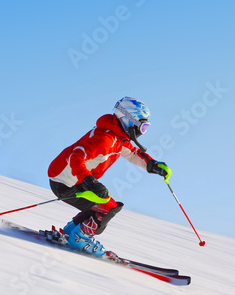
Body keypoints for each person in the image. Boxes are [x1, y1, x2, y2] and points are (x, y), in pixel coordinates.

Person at [48, 97, 172, 257]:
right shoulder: (105, 139)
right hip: (64, 182)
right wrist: (90, 181)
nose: (142, 131)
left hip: (75, 180)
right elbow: (75, 156)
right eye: (142, 126)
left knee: (103, 203)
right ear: (129, 120)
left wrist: (152, 165)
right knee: (108, 207)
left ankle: (71, 232)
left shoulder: (118, 138)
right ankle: (80, 238)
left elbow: (133, 153)